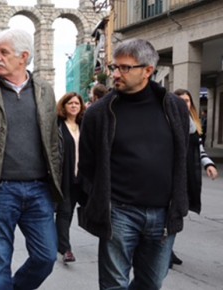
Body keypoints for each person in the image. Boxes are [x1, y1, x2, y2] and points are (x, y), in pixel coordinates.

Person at [79, 39, 189, 290]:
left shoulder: (173, 108)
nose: (116, 74)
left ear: (148, 71)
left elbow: (184, 157)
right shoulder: (99, 113)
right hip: (118, 212)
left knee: (151, 282)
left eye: (124, 68)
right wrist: (99, 200)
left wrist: (183, 200)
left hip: (163, 213)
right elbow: (87, 164)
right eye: (114, 67)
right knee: (114, 284)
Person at [0, 28, 62, 290]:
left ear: (23, 57)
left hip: (39, 190)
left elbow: (53, 141)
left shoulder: (45, 91)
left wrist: (59, 186)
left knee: (46, 256)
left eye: (4, 52)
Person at [170, 88, 218, 266]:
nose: (184, 104)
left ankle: (167, 249)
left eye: (187, 101)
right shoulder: (169, 122)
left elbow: (199, 149)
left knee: (178, 213)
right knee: (170, 213)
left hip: (186, 175)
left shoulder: (193, 124)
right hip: (169, 176)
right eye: (180, 100)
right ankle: (164, 250)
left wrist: (209, 165)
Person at [55, 92, 87, 263]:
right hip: (64, 176)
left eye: (77, 103)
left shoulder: (84, 125)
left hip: (81, 178)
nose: (74, 106)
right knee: (65, 211)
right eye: (70, 103)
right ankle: (65, 248)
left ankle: (58, 238)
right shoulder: (58, 126)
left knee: (70, 210)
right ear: (64, 106)